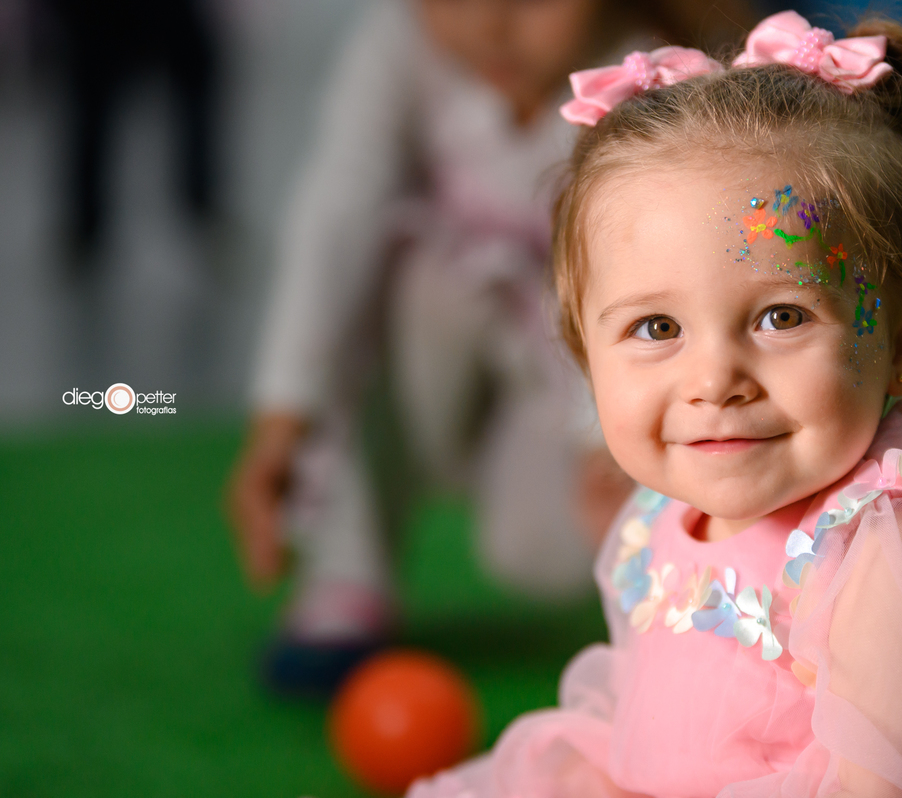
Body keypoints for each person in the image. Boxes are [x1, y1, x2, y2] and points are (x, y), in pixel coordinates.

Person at [407, 11, 902, 798]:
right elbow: (654, 731)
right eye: (656, 327)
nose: (715, 380)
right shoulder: (660, 511)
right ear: (583, 353)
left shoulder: (898, 547)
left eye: (782, 317)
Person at [226, 0, 751, 694]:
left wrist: (608, 435)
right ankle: (347, 575)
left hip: (566, 378)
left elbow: (669, 291)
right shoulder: (399, 49)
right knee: (404, 275)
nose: (491, 23)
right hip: (422, 360)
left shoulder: (647, 75)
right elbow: (335, 215)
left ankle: (667, 586)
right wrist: (283, 413)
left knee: (537, 555)